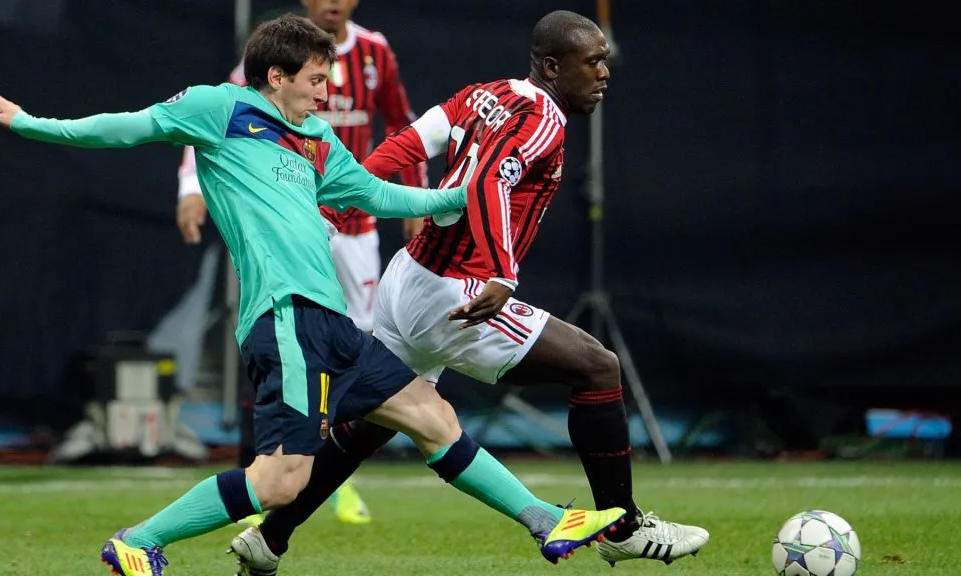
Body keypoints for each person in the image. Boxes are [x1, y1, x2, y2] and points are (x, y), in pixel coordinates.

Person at [0, 14, 626, 576]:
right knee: (282, 477)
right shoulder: (219, 108)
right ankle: (140, 540)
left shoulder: (316, 139)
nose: (329, 93)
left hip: (331, 321)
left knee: (431, 417)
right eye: (318, 80)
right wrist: (31, 123)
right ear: (278, 76)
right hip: (282, 317)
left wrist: (463, 198)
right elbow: (124, 127)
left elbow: (376, 195)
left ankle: (547, 522)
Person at [225, 10, 710, 575]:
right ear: (553, 66)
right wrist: (503, 274)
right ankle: (623, 526)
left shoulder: (488, 93)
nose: (604, 73)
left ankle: (270, 538)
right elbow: (489, 182)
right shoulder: (544, 120)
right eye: (593, 61)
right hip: (456, 292)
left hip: (406, 277)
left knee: (374, 419)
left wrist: (335, 204)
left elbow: (406, 143)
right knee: (597, 367)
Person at [177, 1, 426, 525]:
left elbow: (402, 124)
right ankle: (269, 472)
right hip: (284, 222)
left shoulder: (375, 52)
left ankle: (327, 479)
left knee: (353, 350)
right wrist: (190, 187)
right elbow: (204, 119)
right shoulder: (275, 55)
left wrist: (422, 192)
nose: (332, 1)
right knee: (286, 349)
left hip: (353, 227)